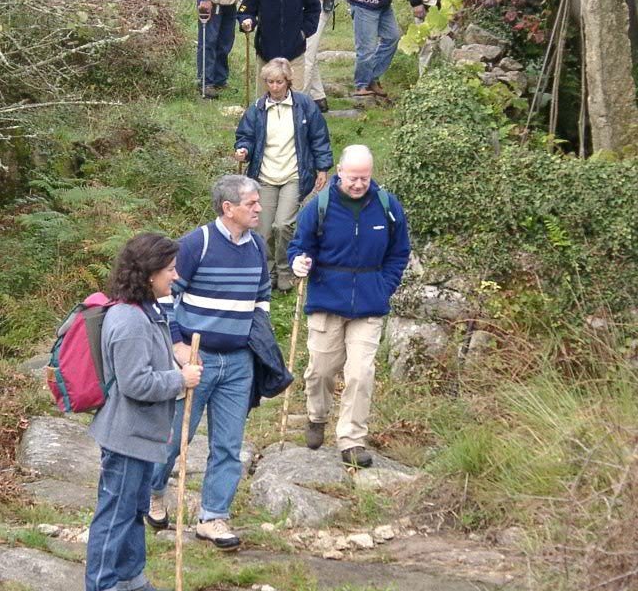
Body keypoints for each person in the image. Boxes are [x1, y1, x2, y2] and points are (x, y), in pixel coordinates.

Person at [148, 175, 270, 551]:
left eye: (258, 202)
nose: (259, 208)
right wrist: (177, 345)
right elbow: (164, 295)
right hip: (195, 360)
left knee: (229, 444)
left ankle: (213, 517)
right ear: (228, 208)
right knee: (173, 439)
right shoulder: (195, 244)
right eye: (251, 203)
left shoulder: (258, 246)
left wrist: (257, 338)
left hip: (239, 362)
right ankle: (152, 493)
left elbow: (262, 297)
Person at [86, 233, 203, 591]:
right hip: (126, 437)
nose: (176, 276)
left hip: (141, 436)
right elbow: (135, 383)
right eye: (170, 269)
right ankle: (102, 584)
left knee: (133, 511)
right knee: (115, 515)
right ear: (149, 274)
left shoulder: (146, 311)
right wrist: (180, 379)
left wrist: (180, 364)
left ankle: (131, 579)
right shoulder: (129, 321)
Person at [288, 145, 410, 468]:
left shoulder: (387, 206)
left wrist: (384, 286)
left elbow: (399, 252)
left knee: (360, 374)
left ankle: (352, 440)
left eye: (364, 178)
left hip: (369, 304)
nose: (358, 184)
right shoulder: (319, 206)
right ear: (340, 171)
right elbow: (299, 246)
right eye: (353, 177)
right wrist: (299, 261)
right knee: (321, 370)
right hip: (326, 300)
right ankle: (317, 416)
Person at [234, 58, 333, 291]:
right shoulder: (257, 109)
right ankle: (268, 271)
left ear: (288, 82)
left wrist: (322, 168)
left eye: (279, 82)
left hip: (293, 175)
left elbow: (319, 138)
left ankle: (285, 269)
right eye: (270, 82)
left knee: (283, 224)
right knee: (264, 228)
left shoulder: (305, 106)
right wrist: (243, 150)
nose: (275, 87)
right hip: (265, 176)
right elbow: (246, 136)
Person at [237, 0, 321, 91]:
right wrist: (247, 21)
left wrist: (303, 32)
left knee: (295, 98)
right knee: (265, 99)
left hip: (295, 53)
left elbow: (314, 8)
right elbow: (245, 11)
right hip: (266, 55)